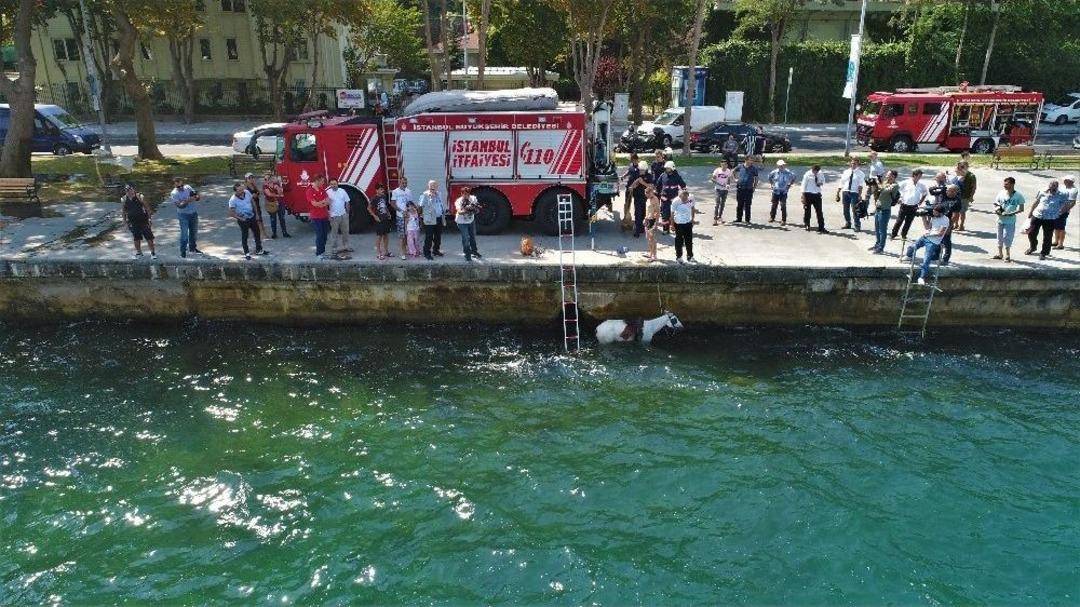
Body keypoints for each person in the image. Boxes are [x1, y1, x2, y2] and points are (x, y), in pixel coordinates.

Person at [900, 204, 949, 285]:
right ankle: (909, 256)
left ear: (941, 213)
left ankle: (921, 277)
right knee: (912, 247)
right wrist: (923, 217)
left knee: (926, 260)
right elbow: (927, 228)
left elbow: (941, 233)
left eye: (935, 212)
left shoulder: (945, 220)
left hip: (933, 242)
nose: (934, 213)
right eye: (933, 212)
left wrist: (930, 234)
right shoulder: (933, 217)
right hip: (925, 237)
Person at [1026, 180, 1068, 260]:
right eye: (1051, 185)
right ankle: (1033, 247)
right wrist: (1031, 212)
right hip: (1037, 215)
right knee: (1031, 233)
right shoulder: (1042, 191)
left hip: (1050, 218)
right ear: (1049, 185)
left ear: (1057, 186)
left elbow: (1065, 205)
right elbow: (1036, 202)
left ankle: (1044, 252)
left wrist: (1060, 213)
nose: (1052, 187)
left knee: (1047, 236)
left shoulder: (1061, 195)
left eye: (1054, 186)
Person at [228, 181, 266, 260]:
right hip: (243, 220)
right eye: (240, 190)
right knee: (245, 235)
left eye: (242, 189)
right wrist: (241, 219)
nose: (242, 191)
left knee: (257, 232)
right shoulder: (233, 200)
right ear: (236, 191)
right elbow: (231, 213)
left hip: (252, 216)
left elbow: (253, 202)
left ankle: (259, 249)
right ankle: (247, 253)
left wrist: (257, 214)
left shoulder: (247, 192)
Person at [992, 176, 1025, 262]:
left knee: (1007, 237)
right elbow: (996, 204)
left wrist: (1011, 213)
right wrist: (998, 210)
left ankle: (1007, 254)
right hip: (1000, 219)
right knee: (999, 237)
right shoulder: (1001, 193)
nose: (1004, 186)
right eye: (1004, 184)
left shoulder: (1018, 196)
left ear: (1012, 184)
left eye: (1007, 184)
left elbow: (1021, 209)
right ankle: (1000, 254)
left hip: (1010, 220)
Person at [121, 184, 156, 260]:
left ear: (133, 189)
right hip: (133, 222)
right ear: (125, 191)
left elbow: (147, 209)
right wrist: (125, 222)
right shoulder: (124, 199)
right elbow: (123, 212)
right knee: (136, 238)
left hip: (143, 221)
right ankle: (139, 252)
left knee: (149, 238)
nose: (129, 191)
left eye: (130, 189)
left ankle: (153, 253)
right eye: (127, 190)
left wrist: (149, 219)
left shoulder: (140, 196)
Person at [169, 177, 201, 258]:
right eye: (178, 186)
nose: (181, 187)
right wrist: (188, 200)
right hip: (183, 215)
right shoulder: (174, 193)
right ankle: (183, 252)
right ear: (175, 186)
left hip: (193, 213)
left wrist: (197, 197)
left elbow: (197, 196)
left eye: (181, 185)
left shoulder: (188, 187)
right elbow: (179, 206)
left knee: (194, 232)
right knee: (184, 235)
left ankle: (192, 248)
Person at [892, 169, 927, 240]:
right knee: (899, 220)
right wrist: (899, 198)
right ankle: (894, 234)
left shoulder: (921, 185)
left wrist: (920, 202)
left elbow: (925, 193)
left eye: (921, 176)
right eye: (919, 176)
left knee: (908, 222)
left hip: (914, 206)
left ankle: (903, 235)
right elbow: (897, 189)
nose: (920, 177)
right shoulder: (906, 182)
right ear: (914, 175)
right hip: (904, 205)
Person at [872, 170, 900, 254]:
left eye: (888, 174)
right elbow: (878, 191)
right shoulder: (885, 182)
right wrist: (874, 185)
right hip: (878, 209)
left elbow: (885, 191)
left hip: (885, 210)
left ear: (893, 176)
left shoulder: (895, 185)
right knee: (877, 229)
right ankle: (877, 244)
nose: (886, 176)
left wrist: (878, 183)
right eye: (887, 174)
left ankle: (881, 247)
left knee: (882, 231)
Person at [418, 179, 445, 260]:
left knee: (438, 236)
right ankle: (427, 253)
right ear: (428, 186)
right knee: (429, 237)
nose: (433, 187)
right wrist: (421, 217)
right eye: (431, 185)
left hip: (438, 218)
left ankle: (436, 250)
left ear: (437, 187)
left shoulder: (439, 194)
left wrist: (443, 216)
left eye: (435, 185)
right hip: (429, 219)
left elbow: (441, 205)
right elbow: (420, 206)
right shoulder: (425, 195)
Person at [454, 186, 483, 261]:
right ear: (461, 194)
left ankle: (474, 251)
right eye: (464, 194)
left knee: (472, 236)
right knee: (465, 238)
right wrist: (467, 209)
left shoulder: (473, 198)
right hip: (461, 222)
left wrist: (475, 209)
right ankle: (467, 253)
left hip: (471, 220)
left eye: (468, 194)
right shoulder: (458, 201)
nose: (466, 195)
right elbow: (459, 212)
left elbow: (478, 210)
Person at [656, 160, 685, 234]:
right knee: (664, 215)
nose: (666, 170)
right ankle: (665, 229)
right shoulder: (663, 175)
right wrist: (658, 193)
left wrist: (683, 195)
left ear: (672, 168)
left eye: (668, 168)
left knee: (675, 214)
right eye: (666, 168)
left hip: (673, 200)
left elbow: (683, 186)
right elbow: (658, 185)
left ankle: (674, 227)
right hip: (664, 199)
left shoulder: (677, 176)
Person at [306, 175, 331, 259]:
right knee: (319, 235)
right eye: (322, 181)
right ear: (317, 181)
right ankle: (319, 253)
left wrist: (321, 203)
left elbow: (328, 201)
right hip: (316, 217)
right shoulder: (310, 191)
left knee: (324, 235)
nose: (323, 183)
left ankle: (323, 251)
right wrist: (322, 202)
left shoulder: (322, 189)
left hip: (324, 216)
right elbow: (314, 204)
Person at [627, 160, 653, 237]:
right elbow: (632, 185)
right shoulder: (637, 175)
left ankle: (641, 227)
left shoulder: (649, 176)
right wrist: (632, 187)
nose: (640, 171)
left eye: (642, 170)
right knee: (638, 213)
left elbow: (651, 186)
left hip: (644, 197)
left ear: (646, 169)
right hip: (637, 197)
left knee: (643, 213)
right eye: (640, 169)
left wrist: (642, 182)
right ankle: (637, 231)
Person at [838, 158, 865, 231]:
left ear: (858, 164)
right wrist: (838, 192)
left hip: (854, 193)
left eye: (855, 163)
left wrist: (859, 195)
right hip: (845, 192)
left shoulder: (860, 173)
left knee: (855, 210)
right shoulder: (846, 172)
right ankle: (848, 223)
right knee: (845, 209)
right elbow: (842, 182)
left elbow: (860, 185)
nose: (853, 165)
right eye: (852, 163)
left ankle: (857, 225)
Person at [937, 184, 961, 266]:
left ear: (954, 192)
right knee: (937, 240)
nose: (947, 192)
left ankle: (945, 258)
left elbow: (955, 216)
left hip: (947, 223)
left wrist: (949, 227)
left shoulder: (957, 201)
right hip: (939, 221)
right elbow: (935, 189)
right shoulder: (944, 195)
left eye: (950, 191)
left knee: (947, 241)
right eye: (947, 190)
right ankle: (936, 256)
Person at [327, 178, 351, 256]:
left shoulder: (342, 191)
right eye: (332, 184)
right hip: (334, 216)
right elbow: (325, 205)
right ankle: (334, 248)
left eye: (335, 184)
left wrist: (347, 213)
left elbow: (347, 202)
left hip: (343, 215)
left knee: (346, 232)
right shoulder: (327, 192)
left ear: (337, 184)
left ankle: (346, 246)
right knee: (334, 233)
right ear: (330, 185)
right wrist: (329, 215)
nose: (333, 185)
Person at [391, 177, 414, 260]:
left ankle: (408, 250)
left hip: (408, 216)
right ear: (399, 183)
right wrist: (401, 211)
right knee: (402, 236)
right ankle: (402, 253)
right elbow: (393, 204)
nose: (404, 184)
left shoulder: (409, 191)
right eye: (402, 183)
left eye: (405, 183)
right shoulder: (395, 191)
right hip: (400, 216)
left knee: (408, 234)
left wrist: (412, 211)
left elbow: (410, 203)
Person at [767, 159, 795, 225]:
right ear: (778, 166)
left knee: (783, 205)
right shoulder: (774, 172)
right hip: (776, 191)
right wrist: (772, 184)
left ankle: (783, 220)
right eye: (780, 165)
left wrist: (789, 184)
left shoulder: (788, 172)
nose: (782, 166)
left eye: (783, 165)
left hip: (784, 191)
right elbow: (769, 177)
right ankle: (772, 217)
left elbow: (793, 177)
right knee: (774, 205)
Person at [368, 184, 392, 260]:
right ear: (377, 190)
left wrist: (388, 213)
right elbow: (368, 208)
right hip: (379, 219)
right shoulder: (374, 198)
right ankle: (379, 253)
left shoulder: (384, 196)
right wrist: (375, 216)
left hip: (385, 218)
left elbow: (385, 206)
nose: (383, 190)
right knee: (379, 236)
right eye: (381, 189)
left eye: (383, 189)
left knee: (386, 235)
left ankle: (386, 251)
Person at [262, 173, 290, 238]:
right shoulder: (265, 186)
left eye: (268, 178)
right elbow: (269, 194)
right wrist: (278, 195)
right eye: (265, 179)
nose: (267, 180)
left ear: (271, 179)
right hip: (271, 204)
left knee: (282, 218)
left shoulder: (276, 184)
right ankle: (274, 233)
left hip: (280, 203)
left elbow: (281, 192)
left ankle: (284, 232)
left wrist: (278, 188)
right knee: (273, 219)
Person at [671, 189, 696, 263]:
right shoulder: (676, 201)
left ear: (688, 196)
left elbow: (692, 208)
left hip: (688, 222)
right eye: (683, 199)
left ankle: (690, 256)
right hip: (678, 223)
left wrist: (692, 219)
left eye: (686, 198)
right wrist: (672, 225)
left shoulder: (691, 198)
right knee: (679, 241)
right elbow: (672, 213)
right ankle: (679, 257)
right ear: (680, 196)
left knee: (689, 240)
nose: (684, 200)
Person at [732, 156, 759, 224]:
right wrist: (735, 179)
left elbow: (756, 178)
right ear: (746, 160)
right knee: (740, 204)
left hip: (749, 189)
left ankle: (747, 220)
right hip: (740, 188)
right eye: (750, 160)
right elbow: (733, 171)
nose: (752, 162)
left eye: (752, 160)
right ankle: (739, 218)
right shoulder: (740, 166)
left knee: (748, 205)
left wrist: (754, 187)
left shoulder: (754, 168)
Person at [1052, 175, 1076, 250]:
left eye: (1065, 180)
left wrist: (1063, 211)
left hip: (1063, 211)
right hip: (1057, 209)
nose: (1064, 181)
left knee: (1061, 227)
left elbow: (1072, 203)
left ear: (1070, 181)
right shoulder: (1064, 187)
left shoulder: (1073, 190)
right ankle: (1056, 241)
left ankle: (1061, 244)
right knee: (1056, 226)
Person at [800, 164, 825, 233]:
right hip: (808, 194)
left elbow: (823, 181)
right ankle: (807, 224)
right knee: (807, 211)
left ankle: (821, 227)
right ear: (812, 169)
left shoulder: (820, 173)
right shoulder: (807, 174)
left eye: (817, 171)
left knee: (819, 211)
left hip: (817, 194)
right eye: (814, 171)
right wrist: (803, 196)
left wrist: (820, 183)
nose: (815, 173)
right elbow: (803, 185)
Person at [620, 152, 640, 229]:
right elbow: (628, 172)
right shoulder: (631, 166)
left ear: (637, 159)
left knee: (636, 203)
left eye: (635, 160)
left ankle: (636, 219)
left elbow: (640, 179)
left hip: (636, 188)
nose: (633, 161)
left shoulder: (640, 167)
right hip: (629, 187)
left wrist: (634, 186)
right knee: (627, 202)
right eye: (632, 160)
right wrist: (623, 176)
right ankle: (626, 217)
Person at [243, 172, 264, 239]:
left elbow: (259, 192)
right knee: (257, 219)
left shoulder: (253, 184)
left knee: (259, 218)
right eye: (250, 178)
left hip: (257, 202)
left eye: (252, 177)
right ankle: (261, 234)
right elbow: (245, 197)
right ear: (246, 178)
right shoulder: (245, 187)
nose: (251, 179)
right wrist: (252, 195)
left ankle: (262, 233)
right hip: (251, 205)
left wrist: (258, 193)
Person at [643, 185, 661, 262]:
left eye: (648, 194)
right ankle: (650, 253)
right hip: (648, 220)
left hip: (653, 220)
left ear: (651, 193)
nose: (646, 195)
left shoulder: (655, 199)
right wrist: (645, 218)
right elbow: (648, 210)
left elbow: (657, 212)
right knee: (648, 238)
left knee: (652, 239)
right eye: (645, 194)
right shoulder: (648, 199)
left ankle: (654, 256)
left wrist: (656, 224)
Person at [710, 159, 731, 225]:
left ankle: (720, 217)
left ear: (727, 165)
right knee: (717, 204)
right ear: (720, 165)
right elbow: (713, 179)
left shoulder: (728, 171)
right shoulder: (717, 170)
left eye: (725, 165)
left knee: (722, 204)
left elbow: (729, 179)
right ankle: (715, 219)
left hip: (725, 190)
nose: (724, 166)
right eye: (722, 165)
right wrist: (720, 184)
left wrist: (728, 184)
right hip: (718, 189)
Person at [957, 161, 976, 231]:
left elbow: (974, 187)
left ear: (967, 167)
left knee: (962, 212)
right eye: (959, 167)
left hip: (965, 196)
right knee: (956, 211)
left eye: (962, 167)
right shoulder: (958, 174)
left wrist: (971, 196)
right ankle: (956, 224)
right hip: (956, 196)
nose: (960, 168)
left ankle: (961, 225)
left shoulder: (971, 176)